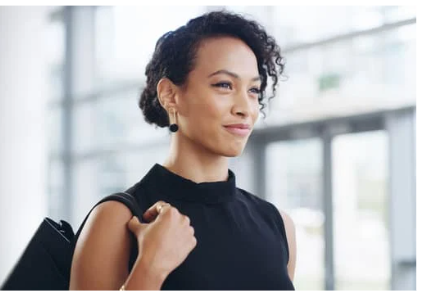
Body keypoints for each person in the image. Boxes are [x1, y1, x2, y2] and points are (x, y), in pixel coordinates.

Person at [69, 10, 296, 290]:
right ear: (170, 95)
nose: (246, 108)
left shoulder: (277, 224)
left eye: (253, 90)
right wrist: (150, 267)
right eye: (224, 85)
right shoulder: (117, 219)